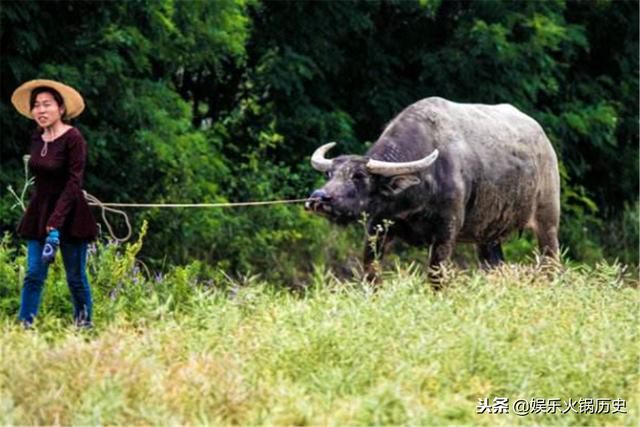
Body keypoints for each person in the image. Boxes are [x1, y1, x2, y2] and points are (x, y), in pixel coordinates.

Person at [11, 79, 98, 328]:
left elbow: (74, 182)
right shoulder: (37, 138)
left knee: (75, 277)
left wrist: (56, 219)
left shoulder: (74, 138)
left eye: (47, 104)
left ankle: (84, 325)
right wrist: (43, 215)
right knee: (33, 274)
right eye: (36, 105)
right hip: (40, 212)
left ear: (60, 109)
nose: (41, 110)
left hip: (70, 213)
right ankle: (24, 325)